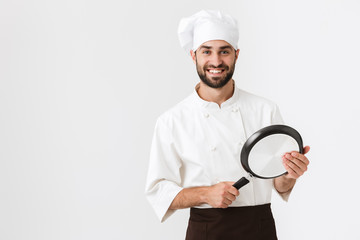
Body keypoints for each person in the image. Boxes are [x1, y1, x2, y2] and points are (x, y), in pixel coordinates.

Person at [145, 10, 310, 240]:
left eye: (224, 51)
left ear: (236, 54)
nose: (216, 61)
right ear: (193, 56)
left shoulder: (265, 110)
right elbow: (158, 190)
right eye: (206, 51)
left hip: (259, 228)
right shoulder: (172, 121)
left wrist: (291, 173)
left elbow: (280, 185)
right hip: (206, 229)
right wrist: (205, 194)